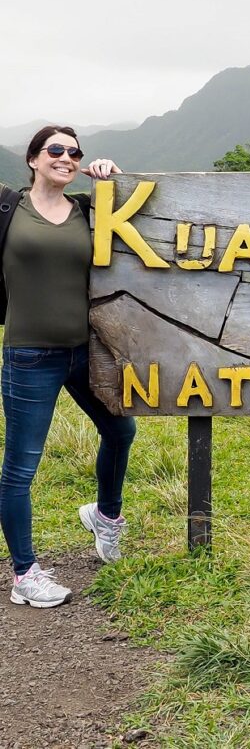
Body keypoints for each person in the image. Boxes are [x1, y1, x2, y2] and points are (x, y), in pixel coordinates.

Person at [0, 125, 136, 607]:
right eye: (55, 150)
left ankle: (105, 516)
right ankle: (25, 575)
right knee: (21, 467)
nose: (66, 157)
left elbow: (132, 210)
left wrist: (110, 179)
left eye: (74, 152)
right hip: (28, 355)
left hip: (85, 351)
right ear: (33, 159)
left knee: (121, 431)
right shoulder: (7, 207)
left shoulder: (84, 208)